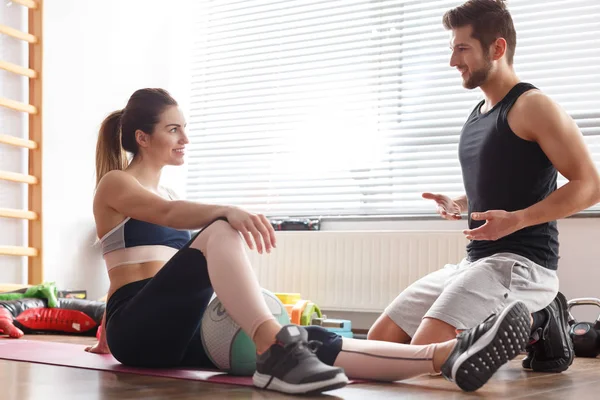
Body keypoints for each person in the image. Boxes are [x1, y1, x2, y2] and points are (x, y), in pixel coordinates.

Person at [81, 87, 535, 394]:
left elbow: (158, 270)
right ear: (142, 137)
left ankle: (446, 355)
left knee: (308, 337)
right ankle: (274, 349)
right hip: (136, 329)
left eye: (184, 127)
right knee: (221, 229)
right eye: (173, 129)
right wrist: (228, 210)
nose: (185, 138)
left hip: (172, 331)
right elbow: (161, 220)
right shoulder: (115, 185)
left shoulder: (171, 194)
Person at [368, 0, 600, 374]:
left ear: (497, 48)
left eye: (462, 49)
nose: (452, 61)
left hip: (522, 263)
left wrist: (518, 220)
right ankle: (516, 324)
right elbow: (506, 182)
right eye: (452, 49)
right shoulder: (477, 114)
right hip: (475, 261)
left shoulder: (532, 106)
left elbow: (590, 185)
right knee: (381, 342)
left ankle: (539, 320)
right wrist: (460, 202)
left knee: (424, 354)